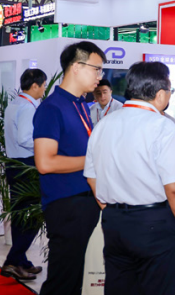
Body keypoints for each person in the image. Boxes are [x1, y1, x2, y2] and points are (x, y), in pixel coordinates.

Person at [84, 61, 175, 295]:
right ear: (160, 94)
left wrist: (108, 207)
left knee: (119, 287)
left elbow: (91, 177)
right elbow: (174, 188)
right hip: (153, 222)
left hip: (114, 222)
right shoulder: (162, 126)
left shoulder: (103, 124)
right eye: (170, 91)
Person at [33, 42, 105, 295]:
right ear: (76, 67)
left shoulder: (80, 104)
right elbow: (45, 163)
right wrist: (94, 159)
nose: (99, 76)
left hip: (83, 202)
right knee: (62, 282)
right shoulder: (52, 108)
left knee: (73, 280)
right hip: (66, 205)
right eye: (96, 69)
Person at [0, 69, 48, 281]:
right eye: (43, 85)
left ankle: (21, 261)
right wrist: (47, 147)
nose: (44, 89)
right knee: (34, 216)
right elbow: (25, 139)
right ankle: (13, 260)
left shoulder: (15, 104)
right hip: (26, 165)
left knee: (21, 216)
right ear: (35, 85)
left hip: (14, 165)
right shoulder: (28, 107)